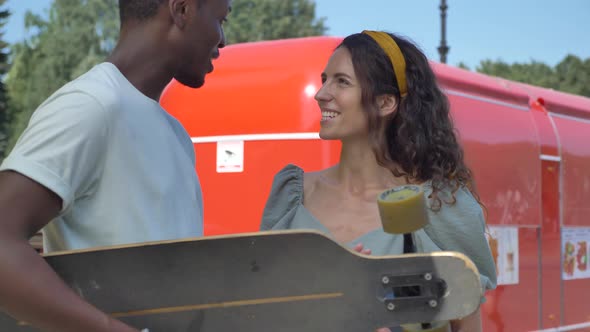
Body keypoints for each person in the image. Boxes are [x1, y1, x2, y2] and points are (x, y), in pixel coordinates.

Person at [0, 0, 231, 331]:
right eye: (221, 20)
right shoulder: (91, 106)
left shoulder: (177, 135)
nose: (222, 40)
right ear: (181, 10)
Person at [260, 30, 497, 331]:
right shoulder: (292, 196)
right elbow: (262, 310)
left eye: (342, 82)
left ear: (386, 103)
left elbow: (466, 324)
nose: (321, 94)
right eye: (324, 79)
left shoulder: (440, 207)